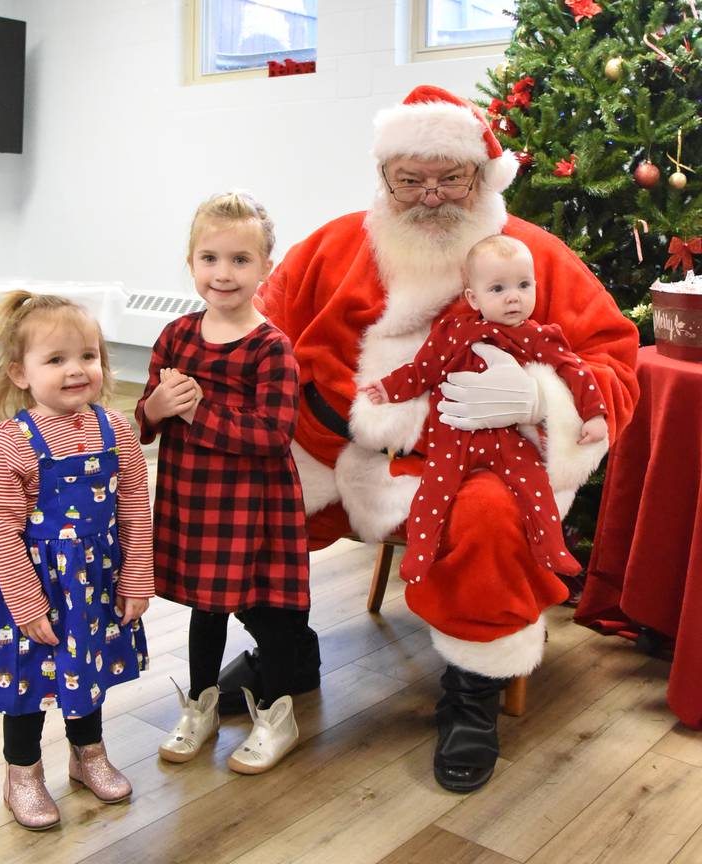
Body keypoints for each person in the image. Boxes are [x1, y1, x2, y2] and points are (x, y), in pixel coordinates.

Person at [226, 85, 640, 793]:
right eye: (409, 179)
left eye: (451, 178)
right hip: (335, 445)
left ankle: (473, 691)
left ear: (484, 176)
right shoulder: (331, 246)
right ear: (383, 178)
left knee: (486, 515)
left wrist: (541, 396)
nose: (430, 197)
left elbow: (614, 357)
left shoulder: (531, 254)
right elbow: (253, 337)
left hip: (481, 454)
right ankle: (286, 650)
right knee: (231, 495)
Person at [135, 191, 310, 775]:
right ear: (191, 263)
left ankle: (277, 714)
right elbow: (144, 421)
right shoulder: (176, 336)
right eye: (210, 258)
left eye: (240, 260)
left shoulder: (271, 347)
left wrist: (195, 413)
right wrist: (156, 408)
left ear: (265, 267)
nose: (223, 273)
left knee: (274, 612)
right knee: (204, 609)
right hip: (192, 499)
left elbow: (271, 434)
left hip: (255, 508)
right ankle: (202, 703)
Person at [0, 291, 154, 830]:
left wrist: (137, 576)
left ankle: (87, 753)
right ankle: (23, 773)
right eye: (55, 360)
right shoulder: (14, 441)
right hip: (36, 585)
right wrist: (25, 599)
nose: (76, 370)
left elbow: (133, 507)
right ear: (21, 373)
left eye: (87, 356)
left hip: (97, 580)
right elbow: (0, 528)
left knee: (89, 667)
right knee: (28, 681)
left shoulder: (116, 428)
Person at [361, 232, 608, 587]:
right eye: (498, 289)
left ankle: (551, 546)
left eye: (524, 285)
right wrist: (387, 388)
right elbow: (422, 370)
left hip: (505, 435)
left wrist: (595, 415)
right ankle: (419, 551)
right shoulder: (452, 331)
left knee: (534, 481)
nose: (513, 297)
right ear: (473, 298)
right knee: (434, 489)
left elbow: (576, 371)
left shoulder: (539, 337)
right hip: (453, 432)